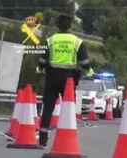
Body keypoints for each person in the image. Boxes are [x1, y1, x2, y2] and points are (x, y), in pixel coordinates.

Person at [38, 14, 93, 146]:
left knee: (48, 108)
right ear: (70, 26)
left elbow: (42, 61)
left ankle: (43, 139)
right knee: (68, 108)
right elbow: (84, 62)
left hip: (52, 77)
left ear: (57, 25)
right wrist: (89, 71)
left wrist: (41, 68)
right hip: (69, 79)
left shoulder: (50, 40)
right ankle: (68, 138)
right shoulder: (76, 41)